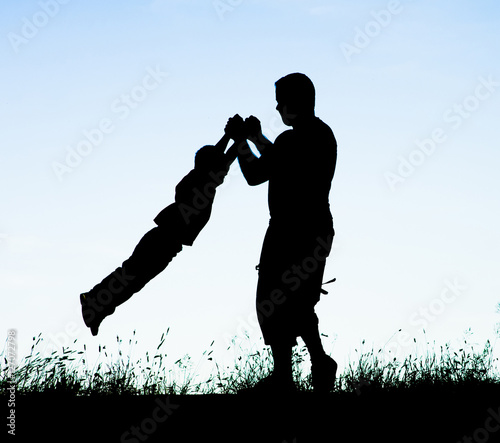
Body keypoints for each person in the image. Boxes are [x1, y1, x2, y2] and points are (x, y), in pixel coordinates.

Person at [225, 73, 338, 393]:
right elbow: (279, 159)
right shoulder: (320, 135)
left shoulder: (294, 140)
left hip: (290, 230)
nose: (276, 107)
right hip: (314, 229)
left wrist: (240, 142)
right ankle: (313, 365)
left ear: (293, 102)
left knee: (276, 302)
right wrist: (256, 138)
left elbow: (258, 173)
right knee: (298, 302)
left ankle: (287, 377)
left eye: (280, 100)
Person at [80, 133, 238, 336]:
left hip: (165, 243)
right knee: (131, 277)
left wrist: (231, 137)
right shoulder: (201, 183)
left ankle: (97, 308)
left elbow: (215, 160)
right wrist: (236, 139)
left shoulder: (199, 178)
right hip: (163, 241)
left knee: (133, 279)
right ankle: (93, 301)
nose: (224, 173)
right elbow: (218, 162)